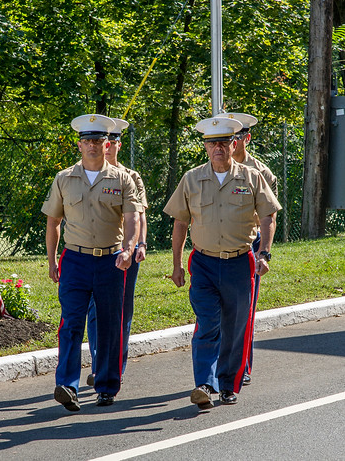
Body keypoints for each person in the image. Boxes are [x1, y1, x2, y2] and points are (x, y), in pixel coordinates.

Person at [163, 117, 281, 409]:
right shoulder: (191, 179)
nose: (218, 148)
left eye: (224, 143)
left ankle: (228, 384)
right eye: (212, 143)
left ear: (234, 144)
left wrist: (263, 253)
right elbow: (180, 222)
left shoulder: (252, 178)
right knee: (207, 322)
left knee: (235, 326)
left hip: (239, 263)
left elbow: (268, 217)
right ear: (205, 147)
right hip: (202, 263)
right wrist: (177, 264)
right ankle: (204, 382)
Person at [41, 114, 141, 411]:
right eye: (88, 141)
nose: (93, 145)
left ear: (107, 143)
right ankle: (67, 385)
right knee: (71, 323)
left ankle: (107, 386)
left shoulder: (122, 178)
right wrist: (51, 261)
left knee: (111, 325)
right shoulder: (64, 178)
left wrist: (129, 249)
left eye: (98, 140)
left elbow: (133, 217)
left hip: (111, 260)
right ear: (79, 145)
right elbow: (53, 222)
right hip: (75, 260)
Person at [216, 112, 278, 386]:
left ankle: (244, 364)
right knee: (214, 311)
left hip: (248, 243)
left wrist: (263, 251)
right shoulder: (214, 166)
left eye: (236, 137)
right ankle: (216, 366)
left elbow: (268, 216)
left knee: (244, 309)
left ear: (246, 138)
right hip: (217, 245)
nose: (230, 142)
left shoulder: (262, 173)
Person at [86, 118, 148, 386]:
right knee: (93, 311)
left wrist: (140, 244)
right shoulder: (86, 174)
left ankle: (116, 365)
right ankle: (100, 363)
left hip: (123, 253)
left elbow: (139, 216)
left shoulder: (130, 177)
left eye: (110, 143)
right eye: (102, 142)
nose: (106, 148)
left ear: (117, 145)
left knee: (121, 310)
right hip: (91, 254)